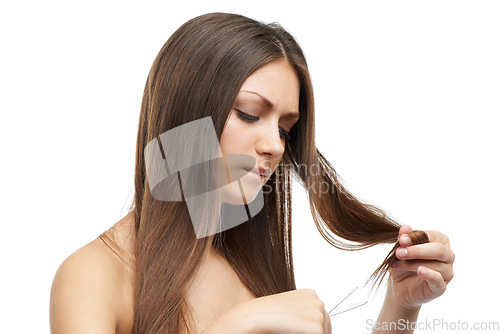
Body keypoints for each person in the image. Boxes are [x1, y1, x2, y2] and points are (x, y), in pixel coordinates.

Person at [49, 12, 455, 334]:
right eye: (249, 113)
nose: (276, 146)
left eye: (284, 129)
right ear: (187, 111)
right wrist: (235, 325)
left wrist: (402, 308)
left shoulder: (253, 267)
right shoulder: (93, 277)